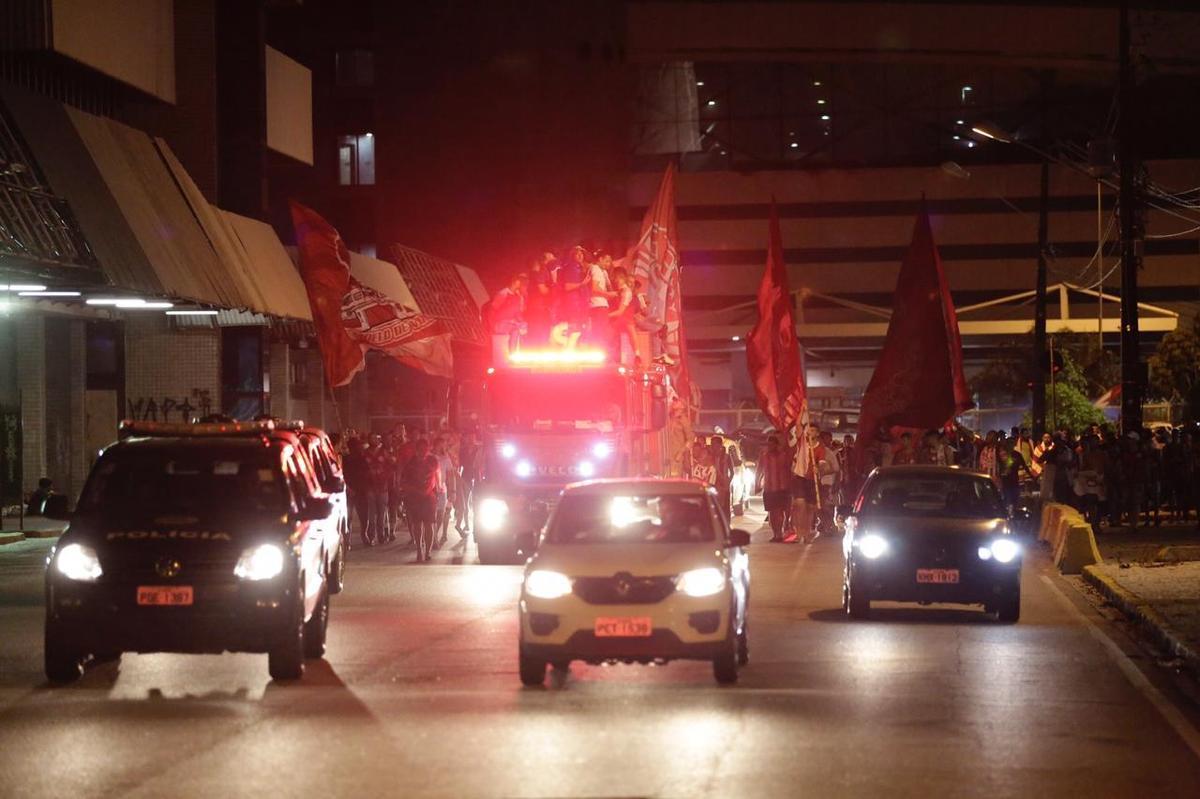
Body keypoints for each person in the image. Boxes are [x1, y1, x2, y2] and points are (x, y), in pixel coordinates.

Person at [402, 438, 441, 562]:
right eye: (420, 449)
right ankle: (419, 550)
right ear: (417, 449)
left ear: (428, 449)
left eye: (425, 448)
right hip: (415, 498)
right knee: (417, 525)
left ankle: (428, 551)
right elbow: (405, 481)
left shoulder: (433, 461)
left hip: (430, 497)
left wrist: (439, 488)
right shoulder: (410, 463)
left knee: (429, 525)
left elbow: (437, 474)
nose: (423, 451)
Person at [756, 434, 793, 541]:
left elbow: (789, 469)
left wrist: (790, 485)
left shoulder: (784, 455)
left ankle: (779, 534)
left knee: (779, 511)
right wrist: (757, 484)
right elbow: (759, 470)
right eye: (768, 445)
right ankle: (775, 533)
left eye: (772, 444)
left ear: (777, 445)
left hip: (782, 487)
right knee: (772, 512)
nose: (770, 447)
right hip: (769, 488)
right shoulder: (763, 455)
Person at [342, 437, 371, 548]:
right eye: (357, 446)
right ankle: (347, 540)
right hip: (349, 491)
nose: (359, 448)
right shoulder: (345, 460)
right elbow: (342, 475)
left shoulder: (362, 459)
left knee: (364, 516)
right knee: (348, 517)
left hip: (361, 491)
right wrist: (348, 488)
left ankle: (364, 535)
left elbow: (367, 474)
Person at [490, 273, 528, 352]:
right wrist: (492, 325)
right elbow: (493, 309)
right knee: (516, 330)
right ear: (515, 282)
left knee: (523, 328)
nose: (521, 285)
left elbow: (518, 313)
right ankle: (512, 353)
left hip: (512, 322)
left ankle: (520, 351)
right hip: (501, 323)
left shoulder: (518, 296)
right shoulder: (503, 293)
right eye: (520, 283)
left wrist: (522, 322)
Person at [608, 267, 637, 363]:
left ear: (622, 278)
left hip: (621, 321)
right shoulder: (619, 290)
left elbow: (621, 311)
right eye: (615, 278)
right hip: (617, 321)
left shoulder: (627, 292)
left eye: (617, 278)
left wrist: (607, 315)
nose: (616, 281)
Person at [526, 255, 555, 343]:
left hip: (532, 308)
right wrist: (553, 290)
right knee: (541, 333)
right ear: (537, 264)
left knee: (534, 333)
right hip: (539, 308)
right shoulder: (537, 275)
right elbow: (542, 290)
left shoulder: (529, 276)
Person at [432, 436, 454, 549]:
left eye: (443, 444)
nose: (442, 446)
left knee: (440, 515)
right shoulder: (430, 457)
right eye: (440, 444)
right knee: (432, 515)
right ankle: (432, 538)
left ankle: (434, 535)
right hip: (430, 490)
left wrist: (453, 491)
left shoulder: (446, 458)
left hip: (442, 490)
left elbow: (451, 475)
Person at [710, 433, 734, 522]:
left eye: (715, 444)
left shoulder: (726, 457)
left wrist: (728, 482)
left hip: (724, 487)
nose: (713, 447)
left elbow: (732, 472)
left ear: (720, 445)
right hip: (712, 485)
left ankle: (726, 525)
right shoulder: (710, 456)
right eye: (712, 445)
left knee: (725, 507)